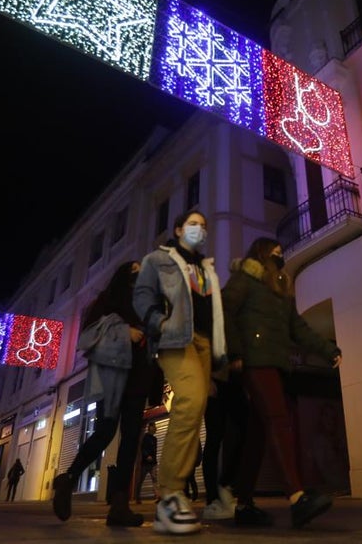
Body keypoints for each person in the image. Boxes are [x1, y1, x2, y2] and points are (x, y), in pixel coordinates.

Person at [222, 237, 342, 529]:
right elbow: (223, 310)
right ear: (260, 254)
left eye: (281, 253)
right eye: (273, 253)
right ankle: (297, 497)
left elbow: (297, 327)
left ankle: (244, 504)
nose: (279, 256)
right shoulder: (244, 280)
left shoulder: (279, 290)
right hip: (254, 360)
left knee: (258, 432)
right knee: (278, 419)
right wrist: (235, 351)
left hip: (276, 363)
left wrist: (328, 350)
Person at [133, 209, 227, 535]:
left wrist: (219, 355)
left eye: (203, 225)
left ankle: (175, 493)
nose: (199, 228)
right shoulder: (159, 260)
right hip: (174, 338)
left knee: (196, 406)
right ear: (177, 229)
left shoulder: (206, 268)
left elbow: (214, 314)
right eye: (193, 223)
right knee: (190, 398)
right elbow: (143, 294)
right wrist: (158, 321)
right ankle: (170, 496)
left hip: (202, 343)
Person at [52, 261, 158, 527]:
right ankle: (69, 477)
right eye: (134, 267)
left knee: (132, 439)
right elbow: (87, 336)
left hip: (139, 375)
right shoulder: (108, 299)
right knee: (105, 431)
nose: (139, 270)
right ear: (123, 273)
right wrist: (125, 332)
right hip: (112, 376)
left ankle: (119, 505)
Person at [200, 370, 248, 521]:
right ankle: (212, 500)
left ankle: (226, 483)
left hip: (235, 380)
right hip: (214, 377)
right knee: (214, 437)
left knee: (246, 430)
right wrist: (206, 378)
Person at [136, 422, 159, 504]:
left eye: (155, 427)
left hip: (153, 463)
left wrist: (155, 460)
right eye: (154, 427)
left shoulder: (155, 439)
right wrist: (147, 456)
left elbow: (155, 451)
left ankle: (158, 496)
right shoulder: (146, 437)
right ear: (150, 428)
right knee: (141, 480)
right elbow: (142, 448)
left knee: (155, 480)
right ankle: (137, 497)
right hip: (145, 463)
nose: (155, 428)